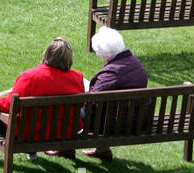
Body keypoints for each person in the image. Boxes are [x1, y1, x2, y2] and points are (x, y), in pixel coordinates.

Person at [0, 37, 85, 161]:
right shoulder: (77, 77)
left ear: (47, 54)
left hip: (27, 134)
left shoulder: (30, 77)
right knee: (40, 116)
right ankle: (31, 153)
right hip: (61, 132)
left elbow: (8, 106)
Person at [60, 26, 148, 160]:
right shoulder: (135, 63)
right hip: (138, 119)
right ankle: (102, 150)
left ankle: (66, 148)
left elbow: (93, 101)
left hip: (117, 124)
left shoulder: (112, 72)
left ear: (105, 53)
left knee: (69, 109)